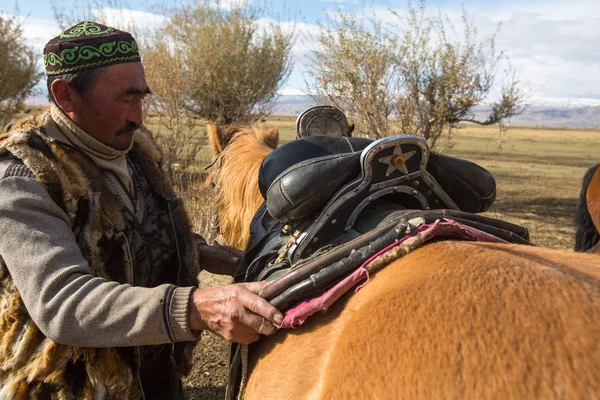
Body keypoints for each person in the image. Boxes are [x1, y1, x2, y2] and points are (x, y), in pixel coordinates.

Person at [0, 21, 282, 399]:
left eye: (142, 98)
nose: (139, 116)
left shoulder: (134, 148)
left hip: (154, 372)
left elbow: (134, 230)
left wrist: (196, 250)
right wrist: (194, 306)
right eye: (125, 99)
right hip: (73, 386)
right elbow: (61, 303)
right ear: (65, 95)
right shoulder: (24, 175)